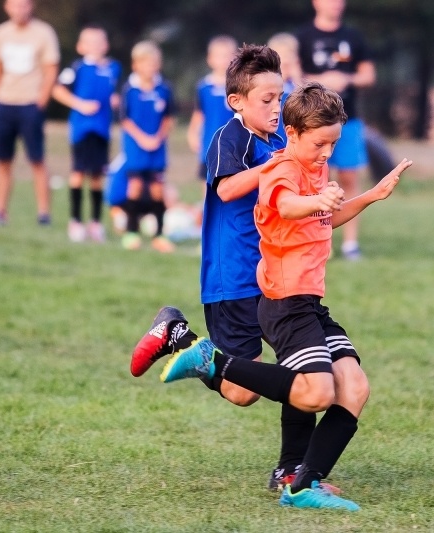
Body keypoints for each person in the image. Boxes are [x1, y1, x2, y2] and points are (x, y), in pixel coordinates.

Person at [139, 82, 412, 510]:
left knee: (354, 387)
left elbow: (324, 218)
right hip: (285, 306)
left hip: (310, 305)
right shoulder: (280, 168)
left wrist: (371, 196)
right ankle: (211, 361)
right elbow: (286, 206)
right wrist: (318, 197)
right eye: (320, 143)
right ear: (294, 133)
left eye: (333, 144)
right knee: (316, 393)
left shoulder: (313, 167)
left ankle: (302, 481)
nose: (326, 153)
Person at [131, 44, 322, 494]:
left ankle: (290, 469)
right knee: (243, 392)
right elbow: (228, 189)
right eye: (266, 99)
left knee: (302, 364)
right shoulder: (230, 137)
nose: (275, 107)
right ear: (237, 101)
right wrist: (276, 165)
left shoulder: (279, 142)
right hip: (233, 277)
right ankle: (180, 337)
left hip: (276, 274)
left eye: (279, 97)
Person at [295, 0, 376, 260]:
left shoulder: (353, 36)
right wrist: (321, 81)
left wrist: (347, 79)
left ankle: (351, 244)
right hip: (314, 122)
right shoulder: (303, 37)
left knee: (349, 179)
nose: (336, 4)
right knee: (316, 181)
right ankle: (320, 240)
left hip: (347, 122)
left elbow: (368, 75)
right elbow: (292, 74)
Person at [0, 0, 60, 226]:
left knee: (37, 160)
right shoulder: (1, 33)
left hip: (30, 104)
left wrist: (41, 101)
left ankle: (44, 214)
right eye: (15, 5)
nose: (20, 9)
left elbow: (51, 70)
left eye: (24, 5)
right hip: (4, 103)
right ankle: (0, 211)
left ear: (32, 6)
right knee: (3, 161)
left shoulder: (43, 33)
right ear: (7, 7)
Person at [51, 25, 121, 243]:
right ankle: (75, 221)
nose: (96, 46)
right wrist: (80, 104)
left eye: (100, 41)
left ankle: (96, 223)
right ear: (80, 47)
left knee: (98, 175)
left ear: (106, 45)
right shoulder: (77, 68)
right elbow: (57, 89)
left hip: (102, 130)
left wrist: (115, 100)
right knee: (79, 172)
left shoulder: (113, 68)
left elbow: (114, 93)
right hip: (82, 129)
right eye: (90, 42)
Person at [119, 40, 177, 252]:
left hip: (157, 147)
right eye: (145, 63)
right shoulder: (129, 89)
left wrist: (158, 137)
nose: (150, 68)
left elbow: (169, 118)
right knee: (134, 186)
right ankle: (131, 232)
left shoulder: (164, 89)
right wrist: (142, 138)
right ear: (135, 65)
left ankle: (159, 234)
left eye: (154, 63)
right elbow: (124, 119)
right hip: (135, 147)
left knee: (157, 188)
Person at [186, 35, 238, 198]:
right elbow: (199, 113)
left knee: (232, 189)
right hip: (210, 146)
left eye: (227, 56)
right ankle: (207, 212)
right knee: (208, 190)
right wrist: (192, 134)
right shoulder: (204, 87)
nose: (223, 60)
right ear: (210, 59)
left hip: (234, 147)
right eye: (219, 56)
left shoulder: (239, 86)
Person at [267, 32, 303, 142]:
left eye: (289, 54)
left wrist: (297, 78)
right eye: (281, 54)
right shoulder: (267, 81)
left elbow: (306, 104)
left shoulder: (296, 84)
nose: (286, 59)